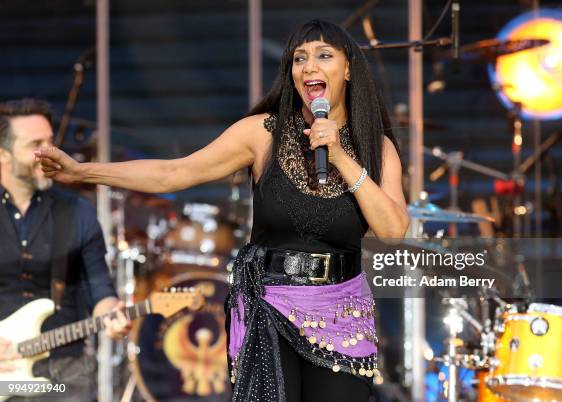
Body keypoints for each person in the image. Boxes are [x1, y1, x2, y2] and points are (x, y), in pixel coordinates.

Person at [36, 20, 409, 402]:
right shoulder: (262, 133)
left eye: (323, 55)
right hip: (269, 307)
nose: (309, 67)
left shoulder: (375, 148)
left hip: (341, 316)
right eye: (299, 58)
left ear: (347, 69)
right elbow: (174, 173)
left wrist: (343, 159)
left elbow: (394, 231)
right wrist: (82, 171)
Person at [0, 99, 132, 401]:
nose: (50, 152)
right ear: (3, 155)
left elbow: (99, 288)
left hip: (64, 374)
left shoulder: (77, 212)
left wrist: (112, 315)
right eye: (36, 144)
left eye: (50, 141)